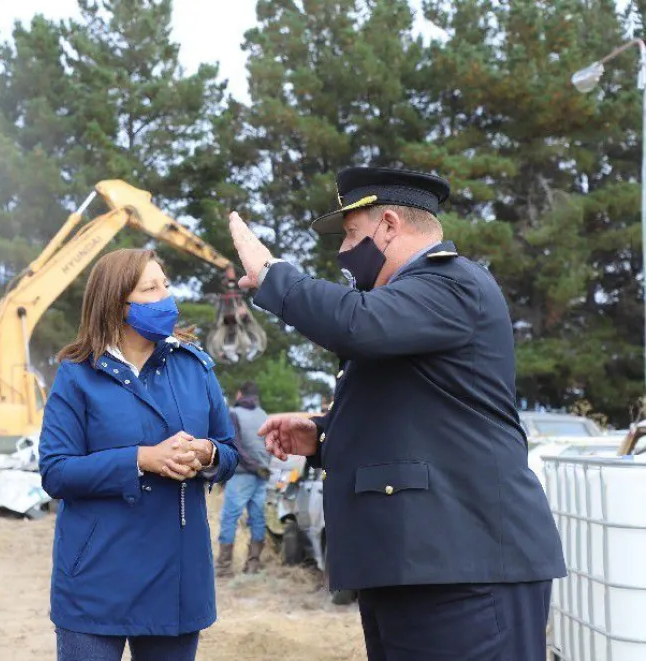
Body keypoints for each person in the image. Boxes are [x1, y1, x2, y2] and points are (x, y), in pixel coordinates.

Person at [228, 166, 566, 661]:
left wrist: (275, 276)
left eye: (350, 234)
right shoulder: (409, 304)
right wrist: (322, 436)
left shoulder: (451, 284)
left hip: (465, 571)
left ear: (388, 224)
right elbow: (414, 413)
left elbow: (357, 325)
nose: (343, 252)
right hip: (420, 564)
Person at [39, 248, 239, 661]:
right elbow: (56, 472)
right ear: (117, 304)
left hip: (177, 580)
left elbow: (229, 451)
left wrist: (207, 453)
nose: (166, 297)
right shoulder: (78, 375)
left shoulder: (194, 367)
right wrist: (141, 459)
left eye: (166, 285)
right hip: (96, 580)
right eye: (150, 288)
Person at [215, 380, 270, 577]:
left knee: (230, 518)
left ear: (239, 394)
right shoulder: (264, 415)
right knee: (258, 518)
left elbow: (235, 446)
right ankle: (253, 565)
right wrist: (263, 468)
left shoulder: (234, 413)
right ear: (256, 396)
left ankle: (223, 567)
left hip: (242, 474)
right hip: (263, 474)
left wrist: (253, 467)